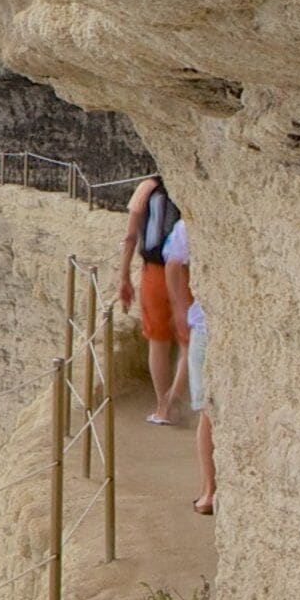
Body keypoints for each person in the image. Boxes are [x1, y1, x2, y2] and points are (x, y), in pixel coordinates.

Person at [116, 175, 184, 422]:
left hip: (155, 271)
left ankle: (163, 409)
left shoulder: (148, 186)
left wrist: (124, 276)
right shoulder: (187, 185)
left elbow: (130, 236)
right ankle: (179, 399)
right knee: (187, 341)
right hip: (186, 271)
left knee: (158, 341)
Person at [167, 214, 215, 513]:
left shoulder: (191, 222)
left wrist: (181, 310)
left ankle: (209, 491)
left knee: (207, 411)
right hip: (208, 322)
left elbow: (173, 263)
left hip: (205, 325)